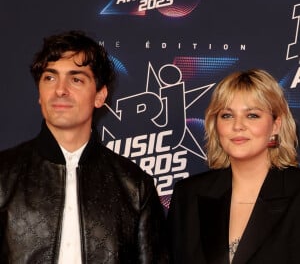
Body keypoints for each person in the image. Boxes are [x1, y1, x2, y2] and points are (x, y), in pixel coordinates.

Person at [0, 30, 168, 263]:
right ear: (39, 93)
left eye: (76, 79)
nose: (60, 90)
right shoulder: (3, 174)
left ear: (100, 96)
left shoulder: (134, 186)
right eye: (50, 78)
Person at [167, 69, 300, 264]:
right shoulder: (188, 195)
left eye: (252, 115)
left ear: (275, 125)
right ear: (215, 124)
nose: (238, 125)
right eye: (227, 115)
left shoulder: (296, 191)